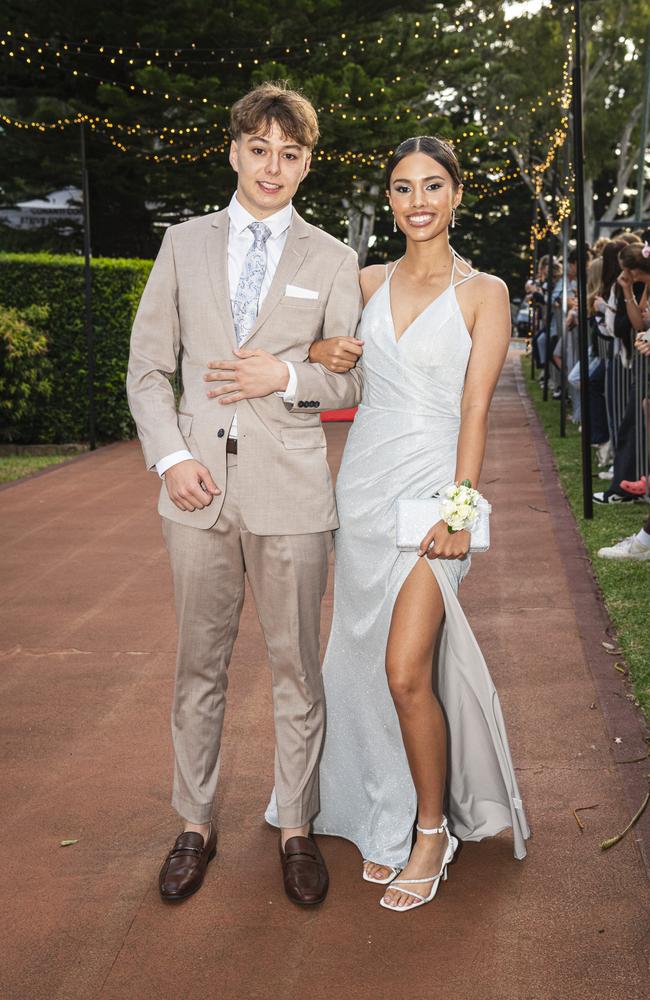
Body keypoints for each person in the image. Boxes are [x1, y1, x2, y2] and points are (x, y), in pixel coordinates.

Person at [267, 135, 530, 911]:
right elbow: (316, 357)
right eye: (403, 188)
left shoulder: (486, 292)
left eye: (433, 186)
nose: (418, 201)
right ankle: (376, 809)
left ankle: (429, 831)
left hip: (434, 496)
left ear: (456, 195)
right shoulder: (366, 279)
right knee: (355, 658)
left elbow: (476, 409)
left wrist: (459, 511)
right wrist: (320, 345)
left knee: (405, 668)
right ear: (390, 200)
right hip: (365, 486)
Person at [127, 81, 364, 907]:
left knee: (299, 668)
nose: (273, 166)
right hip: (194, 493)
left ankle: (297, 827)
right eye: (259, 149)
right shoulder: (183, 244)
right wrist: (169, 458)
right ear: (234, 151)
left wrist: (288, 373)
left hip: (294, 495)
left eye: (289, 154)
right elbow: (149, 368)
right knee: (200, 666)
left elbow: (352, 374)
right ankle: (194, 823)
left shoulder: (332, 258)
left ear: (305, 165)